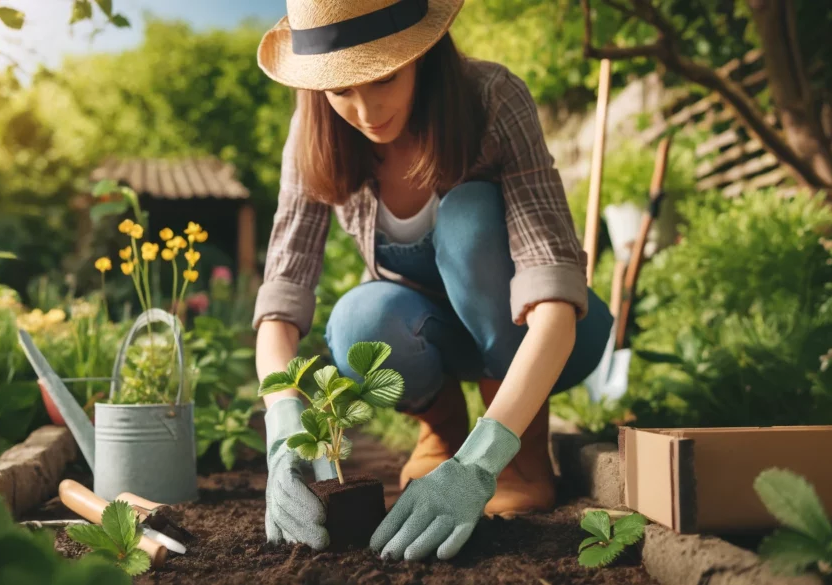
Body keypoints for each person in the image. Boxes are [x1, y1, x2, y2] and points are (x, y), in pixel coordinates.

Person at [252, 0, 614, 563]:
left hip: (544, 340)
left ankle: (522, 458)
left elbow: (554, 299)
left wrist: (483, 463)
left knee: (469, 215)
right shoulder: (314, 130)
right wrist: (282, 432)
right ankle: (443, 433)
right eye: (341, 89)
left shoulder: (492, 98)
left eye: (384, 78)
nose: (366, 111)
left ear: (420, 52)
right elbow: (281, 297)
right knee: (357, 321)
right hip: (432, 337)